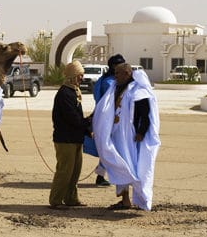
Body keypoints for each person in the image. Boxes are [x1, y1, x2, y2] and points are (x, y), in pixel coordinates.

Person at [93, 63, 161, 211]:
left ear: (127, 74)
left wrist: (141, 132)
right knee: (119, 165)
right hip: (117, 135)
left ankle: (141, 198)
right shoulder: (116, 89)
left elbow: (145, 113)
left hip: (132, 138)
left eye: (118, 73)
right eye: (115, 73)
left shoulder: (137, 91)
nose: (115, 76)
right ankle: (125, 199)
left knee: (135, 168)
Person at [49, 61, 92, 209]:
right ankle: (56, 200)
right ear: (73, 76)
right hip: (65, 139)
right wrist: (89, 121)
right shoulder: (64, 94)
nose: (82, 78)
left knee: (75, 171)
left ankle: (71, 198)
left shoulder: (74, 91)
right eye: (80, 76)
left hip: (75, 138)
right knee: (64, 171)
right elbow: (73, 118)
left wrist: (87, 130)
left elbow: (77, 119)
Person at [90, 53, 126, 187]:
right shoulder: (109, 83)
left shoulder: (107, 80)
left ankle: (103, 175)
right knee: (109, 148)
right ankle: (102, 176)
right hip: (109, 120)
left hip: (109, 119)